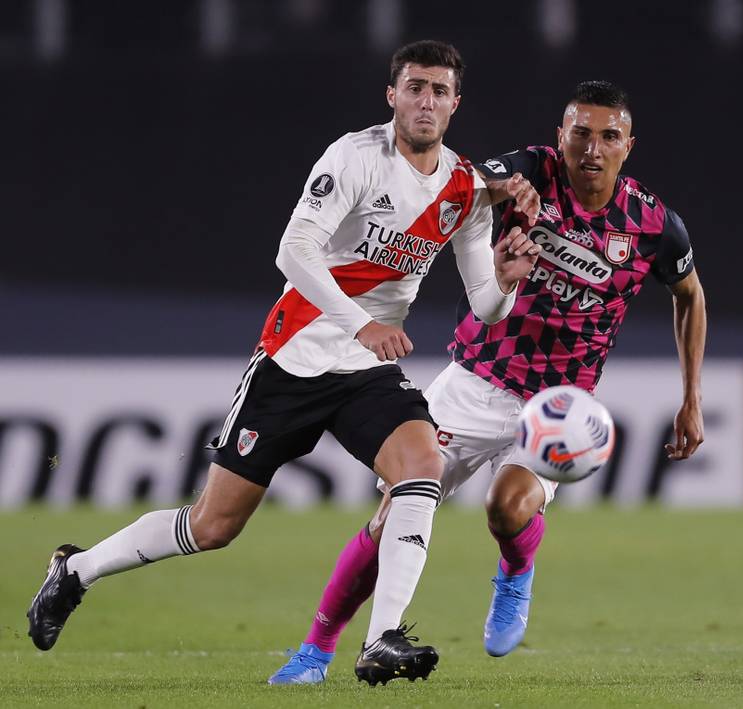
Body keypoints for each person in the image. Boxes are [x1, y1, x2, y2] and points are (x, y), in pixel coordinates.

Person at [26, 40, 541, 687]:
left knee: (422, 465)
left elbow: (487, 307)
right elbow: (293, 250)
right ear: (392, 95)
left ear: (456, 103)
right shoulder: (355, 157)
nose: (426, 101)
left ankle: (381, 636)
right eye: (414, 87)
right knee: (211, 525)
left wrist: (509, 278)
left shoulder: (465, 188)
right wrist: (363, 322)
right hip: (292, 360)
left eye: (439, 90)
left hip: (365, 370)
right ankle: (75, 569)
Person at [278, 80, 707, 683]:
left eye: (608, 136)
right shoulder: (532, 169)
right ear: (561, 136)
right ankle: (315, 651)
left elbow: (689, 295)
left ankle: (514, 572)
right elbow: (466, 179)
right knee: (390, 516)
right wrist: (498, 185)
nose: (591, 147)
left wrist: (692, 399)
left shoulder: (653, 225)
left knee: (506, 509)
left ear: (628, 145)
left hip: (558, 405)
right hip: (474, 379)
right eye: (579, 132)